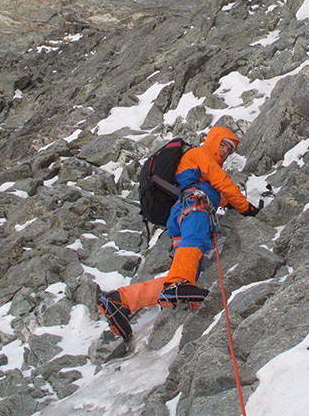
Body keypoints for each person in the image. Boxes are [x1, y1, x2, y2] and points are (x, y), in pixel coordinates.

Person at [97, 126, 262, 340]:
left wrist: (229, 203)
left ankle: (121, 300)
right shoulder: (200, 154)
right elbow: (224, 184)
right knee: (190, 254)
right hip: (193, 206)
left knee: (185, 274)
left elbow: (216, 192)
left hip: (181, 214)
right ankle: (177, 285)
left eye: (229, 150)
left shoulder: (201, 169)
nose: (225, 152)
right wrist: (246, 208)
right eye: (223, 144)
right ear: (213, 140)